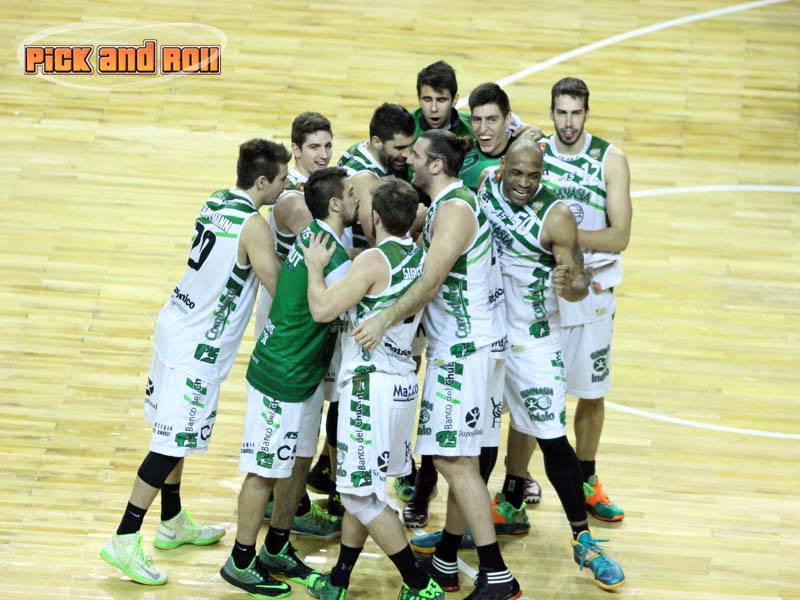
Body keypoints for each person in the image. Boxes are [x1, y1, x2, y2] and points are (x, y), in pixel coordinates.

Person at [99, 139, 290, 586]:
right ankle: (124, 537)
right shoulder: (254, 226)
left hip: (175, 324)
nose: (286, 187)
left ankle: (172, 521)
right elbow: (278, 287)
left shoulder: (217, 200)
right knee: (169, 444)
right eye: (282, 180)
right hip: (197, 349)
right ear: (262, 181)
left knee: (174, 432)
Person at [352, 130, 520, 600]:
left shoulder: (453, 212)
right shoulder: (449, 205)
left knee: (451, 459)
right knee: (463, 457)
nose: (410, 158)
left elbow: (430, 281)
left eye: (418, 154)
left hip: (463, 350)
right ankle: (447, 556)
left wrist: (384, 318)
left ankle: (496, 574)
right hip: (480, 345)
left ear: (437, 165)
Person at [482, 138, 625, 590]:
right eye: (518, 173)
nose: (525, 183)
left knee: (553, 442)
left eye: (534, 175)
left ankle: (584, 540)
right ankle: (460, 529)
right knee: (475, 439)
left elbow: (579, 278)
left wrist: (573, 286)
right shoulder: (485, 188)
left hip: (533, 339)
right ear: (502, 168)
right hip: (487, 334)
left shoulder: (557, 215)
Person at [299, 178, 443, 600]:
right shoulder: (419, 256)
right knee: (365, 490)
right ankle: (339, 580)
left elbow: (322, 309)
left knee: (356, 495)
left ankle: (418, 583)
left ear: (375, 217)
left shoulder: (373, 261)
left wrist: (313, 266)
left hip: (369, 387)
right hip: (400, 384)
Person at [220, 167, 357, 598]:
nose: (358, 199)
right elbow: (345, 305)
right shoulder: (330, 257)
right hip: (281, 376)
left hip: (304, 376)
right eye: (352, 193)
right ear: (335, 204)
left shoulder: (316, 237)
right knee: (264, 470)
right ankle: (241, 559)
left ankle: (277, 545)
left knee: (299, 460)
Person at [539, 77, 632, 522]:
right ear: (551, 112)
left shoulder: (610, 159)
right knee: (536, 394)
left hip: (593, 292)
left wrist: (567, 238)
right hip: (546, 291)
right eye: (561, 112)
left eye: (576, 113)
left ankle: (587, 479)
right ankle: (515, 489)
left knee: (592, 393)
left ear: (587, 113)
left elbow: (620, 236)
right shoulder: (536, 154)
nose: (568, 122)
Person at [253, 112, 344, 539]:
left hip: (310, 321)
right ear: (295, 150)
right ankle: (281, 509)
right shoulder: (294, 200)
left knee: (308, 415)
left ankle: (290, 503)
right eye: (313, 147)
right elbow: (323, 241)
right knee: (286, 424)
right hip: (288, 321)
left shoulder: (322, 188)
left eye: (327, 146)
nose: (323, 154)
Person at [337, 102, 416, 247]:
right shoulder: (364, 179)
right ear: (377, 142)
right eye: (399, 148)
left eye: (409, 146)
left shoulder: (362, 148)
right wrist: (417, 223)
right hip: (358, 254)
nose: (407, 154)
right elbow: (377, 242)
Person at [413, 60, 473, 138]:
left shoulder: (475, 128)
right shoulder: (403, 128)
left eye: (441, 100)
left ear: (454, 100)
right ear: (419, 98)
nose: (433, 109)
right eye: (427, 100)